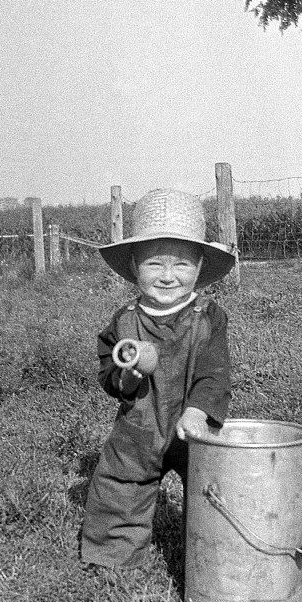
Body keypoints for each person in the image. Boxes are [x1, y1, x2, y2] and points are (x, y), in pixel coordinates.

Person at [81, 188, 235, 571]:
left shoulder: (208, 317)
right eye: (154, 265)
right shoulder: (123, 321)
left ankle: (211, 555)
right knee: (121, 484)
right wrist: (128, 374)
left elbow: (214, 373)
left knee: (210, 486)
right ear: (134, 266)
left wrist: (199, 411)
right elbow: (109, 374)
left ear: (200, 267)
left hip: (192, 427)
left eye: (182, 265)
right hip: (140, 424)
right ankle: (114, 559)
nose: (168, 277)